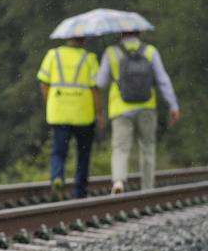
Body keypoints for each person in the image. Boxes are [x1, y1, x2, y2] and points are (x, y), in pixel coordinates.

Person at [96, 31, 180, 192]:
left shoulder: (111, 52)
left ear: (120, 33)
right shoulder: (150, 51)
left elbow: (100, 82)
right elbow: (163, 80)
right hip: (146, 106)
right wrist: (173, 105)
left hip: (120, 108)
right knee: (148, 147)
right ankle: (147, 188)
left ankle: (119, 181)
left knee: (121, 147)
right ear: (139, 32)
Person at [37, 37, 103, 199]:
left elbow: (43, 83)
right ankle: (80, 190)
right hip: (83, 114)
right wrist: (99, 112)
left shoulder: (53, 55)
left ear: (67, 38)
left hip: (59, 112)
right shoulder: (90, 58)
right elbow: (96, 89)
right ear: (84, 40)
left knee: (59, 152)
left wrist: (50, 101)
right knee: (83, 153)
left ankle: (57, 177)